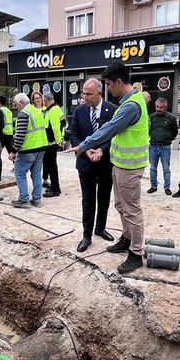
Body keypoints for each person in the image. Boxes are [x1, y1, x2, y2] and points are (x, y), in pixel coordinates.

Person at [68, 62, 148, 273]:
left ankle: (136, 253)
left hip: (130, 166)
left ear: (119, 82)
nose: (108, 88)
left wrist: (84, 145)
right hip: (120, 164)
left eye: (109, 84)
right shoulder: (128, 101)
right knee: (121, 206)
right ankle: (127, 239)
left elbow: (109, 129)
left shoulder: (130, 106)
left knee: (132, 210)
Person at [66, 78, 117, 252]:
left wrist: (102, 150)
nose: (85, 97)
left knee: (104, 198)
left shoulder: (113, 110)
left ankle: (100, 228)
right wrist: (85, 149)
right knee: (88, 200)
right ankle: (86, 235)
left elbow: (115, 135)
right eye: (83, 94)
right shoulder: (79, 111)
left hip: (105, 163)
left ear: (99, 93)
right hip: (85, 163)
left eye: (88, 94)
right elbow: (74, 135)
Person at [9, 93, 48, 208]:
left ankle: (23, 199)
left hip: (28, 149)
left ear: (21, 103)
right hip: (41, 147)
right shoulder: (36, 111)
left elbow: (20, 135)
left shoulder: (24, 113)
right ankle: (37, 199)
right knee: (36, 173)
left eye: (16, 104)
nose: (17, 107)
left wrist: (13, 151)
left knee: (19, 173)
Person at [147, 97, 178, 195]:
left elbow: (175, 132)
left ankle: (167, 187)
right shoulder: (151, 117)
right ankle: (153, 186)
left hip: (165, 148)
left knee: (166, 169)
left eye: (161, 107)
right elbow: (148, 130)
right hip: (153, 147)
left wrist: (167, 139)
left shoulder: (171, 118)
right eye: (157, 107)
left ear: (165, 107)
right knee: (153, 168)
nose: (158, 109)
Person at [43, 93, 66, 197]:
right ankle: (53, 187)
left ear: (46, 100)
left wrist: (58, 141)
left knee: (52, 167)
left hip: (51, 144)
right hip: (50, 143)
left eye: (43, 100)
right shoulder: (55, 109)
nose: (42, 102)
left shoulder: (53, 110)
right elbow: (63, 125)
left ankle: (55, 189)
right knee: (51, 166)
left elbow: (56, 128)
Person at [0, 94, 14, 182]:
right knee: (12, 154)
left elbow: (0, 123)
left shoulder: (0, 110)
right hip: (10, 134)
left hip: (3, 134)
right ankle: (18, 170)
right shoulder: (8, 111)